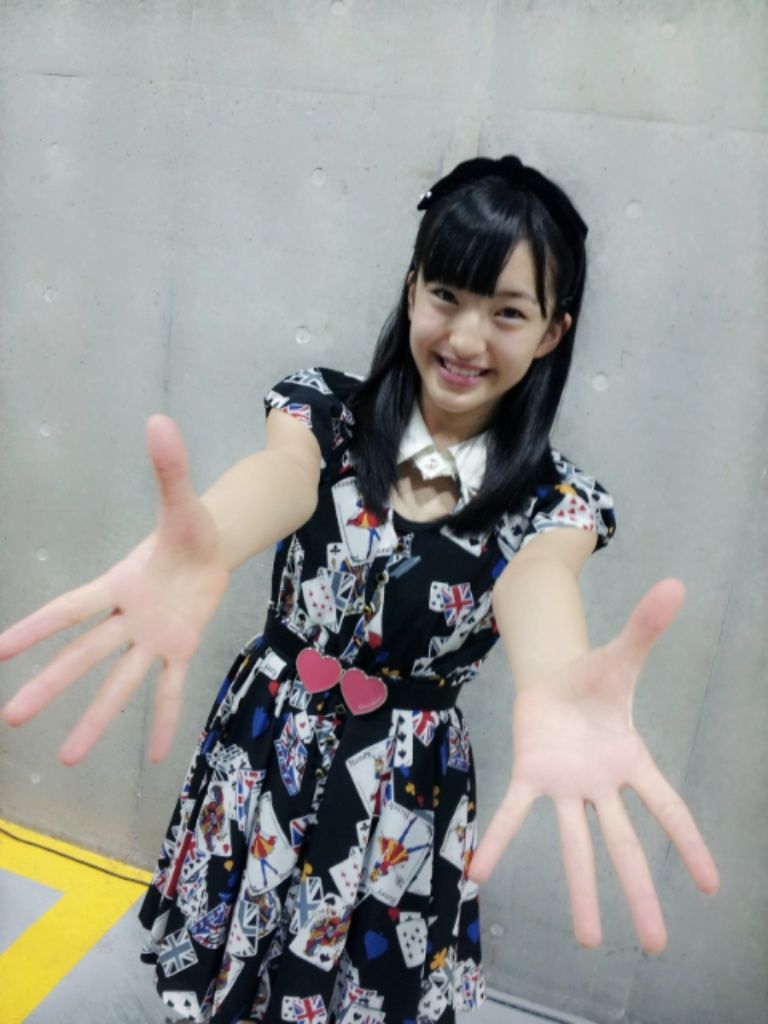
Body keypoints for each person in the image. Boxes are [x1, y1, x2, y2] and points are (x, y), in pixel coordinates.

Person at [0, 155, 719, 1024]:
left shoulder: (552, 504)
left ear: (550, 333)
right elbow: (282, 480)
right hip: (267, 744)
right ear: (412, 290)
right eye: (446, 294)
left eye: (508, 312)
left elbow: (540, 584)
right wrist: (212, 540)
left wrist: (559, 678)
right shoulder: (323, 414)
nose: (466, 339)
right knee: (231, 958)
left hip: (399, 790)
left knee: (350, 989)